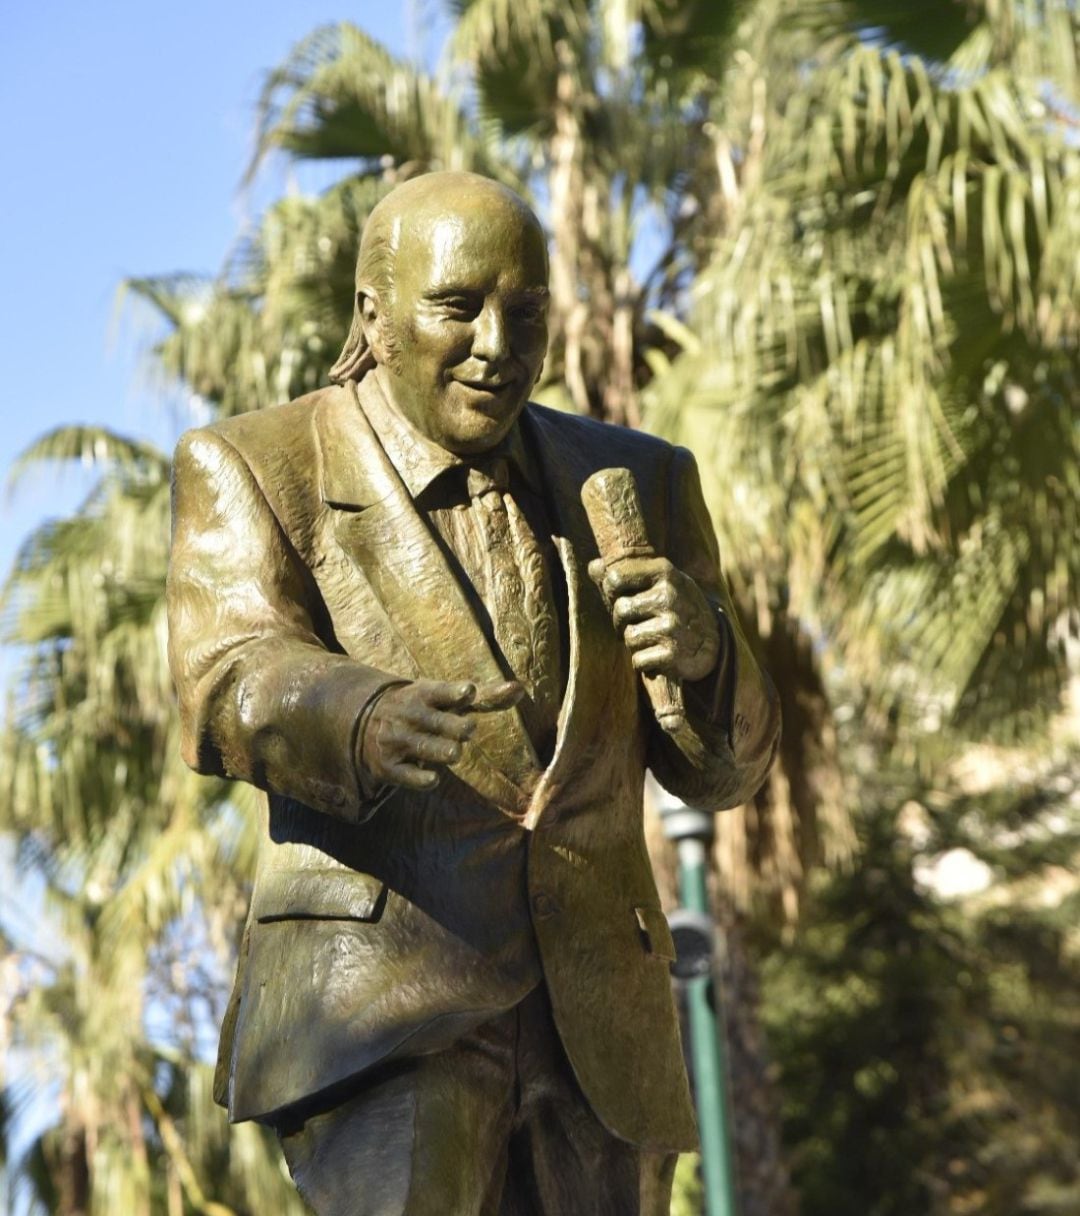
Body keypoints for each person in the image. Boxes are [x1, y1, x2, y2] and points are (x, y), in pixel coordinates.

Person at [166, 170, 780, 1216]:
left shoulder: (639, 479)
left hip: (600, 1024)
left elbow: (725, 770)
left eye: (526, 312)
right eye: (459, 307)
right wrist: (355, 714)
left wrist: (710, 654)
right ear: (375, 313)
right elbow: (227, 675)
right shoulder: (258, 463)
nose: (499, 343)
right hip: (387, 1002)